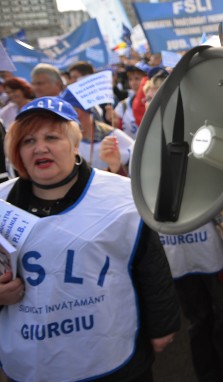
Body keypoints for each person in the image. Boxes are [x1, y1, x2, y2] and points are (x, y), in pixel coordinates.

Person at [0, 96, 180, 381]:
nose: (40, 148)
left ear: (75, 144)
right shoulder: (2, 203)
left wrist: (162, 326)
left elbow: (151, 267)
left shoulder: (122, 196)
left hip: (112, 355)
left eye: (52, 137)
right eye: (28, 141)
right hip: (32, 361)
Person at [58, 89, 134, 171]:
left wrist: (115, 167)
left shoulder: (112, 136)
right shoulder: (64, 138)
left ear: (77, 112)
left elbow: (134, 166)